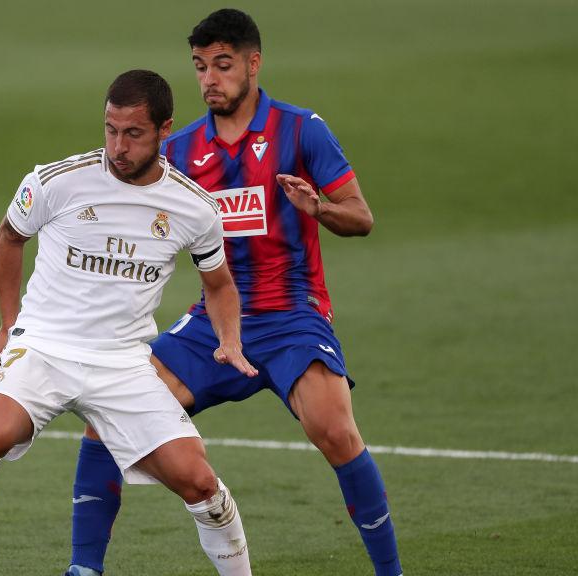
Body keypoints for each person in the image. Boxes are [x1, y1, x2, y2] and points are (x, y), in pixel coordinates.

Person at [65, 9, 403, 576]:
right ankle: (83, 568)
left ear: (253, 63)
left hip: (293, 316)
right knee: (105, 416)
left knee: (336, 430)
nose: (209, 80)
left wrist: (316, 208)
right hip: (211, 324)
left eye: (222, 66)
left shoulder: (300, 130)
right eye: (200, 67)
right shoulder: (184, 148)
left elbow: (362, 217)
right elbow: (127, 204)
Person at [0, 70, 258, 576]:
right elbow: (9, 238)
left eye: (133, 133)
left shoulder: (195, 207)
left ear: (165, 129)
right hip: (46, 346)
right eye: (110, 129)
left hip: (124, 364)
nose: (117, 147)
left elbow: (220, 283)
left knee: (200, 483)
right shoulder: (57, 181)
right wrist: (9, 325)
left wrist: (229, 338)